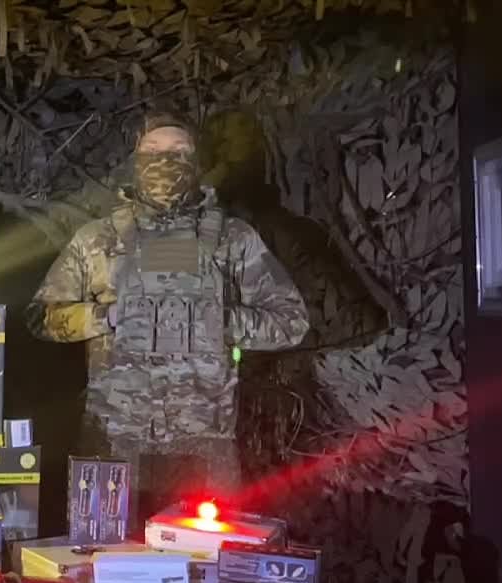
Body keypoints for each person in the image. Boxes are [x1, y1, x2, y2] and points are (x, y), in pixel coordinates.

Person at [27, 111, 309, 525]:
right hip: (114, 439)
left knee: (204, 558)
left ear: (197, 161)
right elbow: (41, 318)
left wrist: (221, 323)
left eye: (179, 149)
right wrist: (106, 316)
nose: (165, 159)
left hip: (204, 441)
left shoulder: (233, 239)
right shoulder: (97, 239)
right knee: (103, 556)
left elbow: (291, 321)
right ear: (135, 159)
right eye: (153, 149)